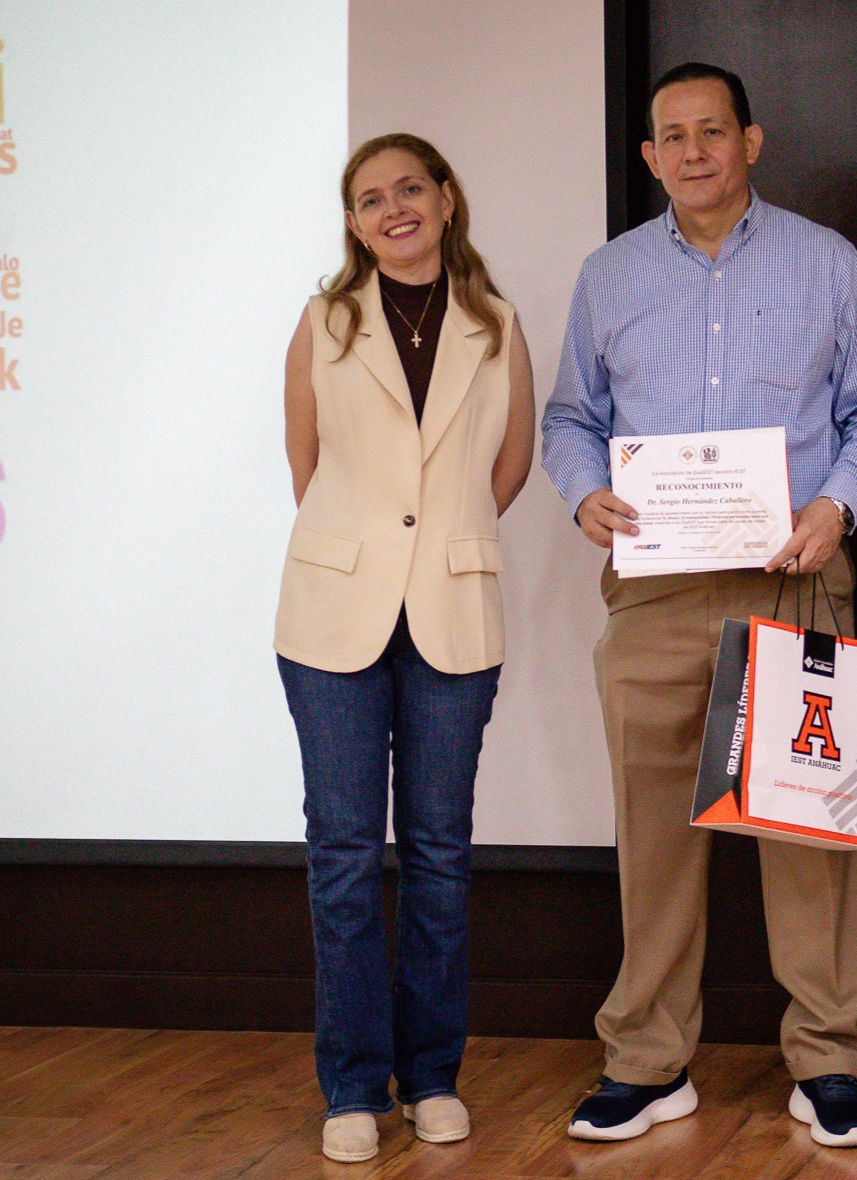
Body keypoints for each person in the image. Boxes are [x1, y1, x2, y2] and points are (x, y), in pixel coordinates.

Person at [541, 62, 857, 1148]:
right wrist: (583, 488)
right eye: (671, 137)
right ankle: (647, 1063)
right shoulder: (608, 277)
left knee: (810, 832)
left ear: (752, 140)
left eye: (712, 131)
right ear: (649, 157)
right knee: (653, 838)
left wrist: (839, 504)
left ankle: (831, 1061)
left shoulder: (826, 262)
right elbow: (569, 418)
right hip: (655, 590)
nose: (692, 152)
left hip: (796, 574)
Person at [273, 133, 535, 1164]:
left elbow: (506, 467)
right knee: (343, 857)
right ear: (353, 221)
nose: (393, 209)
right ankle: (350, 1084)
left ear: (445, 196)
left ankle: (432, 1076)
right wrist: (373, 550)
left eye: (409, 189)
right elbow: (305, 459)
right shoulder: (323, 320)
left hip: (453, 614)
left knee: (438, 857)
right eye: (370, 198)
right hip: (333, 614)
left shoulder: (497, 323)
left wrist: (443, 540)